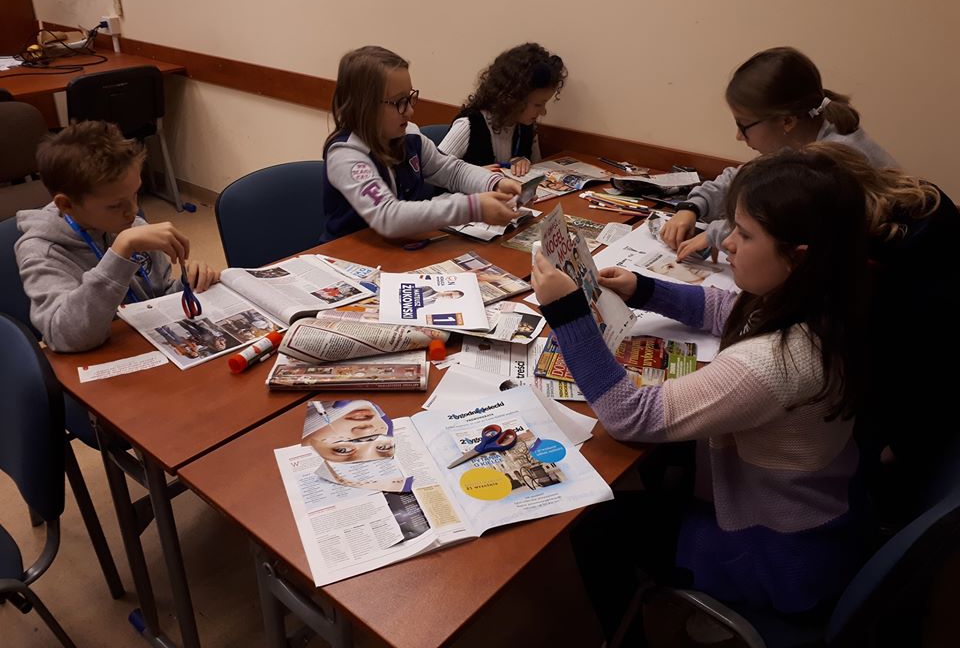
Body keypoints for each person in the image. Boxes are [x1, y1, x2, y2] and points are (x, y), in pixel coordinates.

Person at [532, 149, 872, 639]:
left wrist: (568, 315)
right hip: (819, 508)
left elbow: (631, 416)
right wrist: (643, 289)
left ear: (798, 257)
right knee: (660, 469)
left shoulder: (776, 362)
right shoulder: (822, 298)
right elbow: (727, 309)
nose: (726, 242)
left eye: (745, 235)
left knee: (595, 524)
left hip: (779, 551)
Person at [803, 142, 960, 522]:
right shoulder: (915, 204)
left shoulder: (895, 264)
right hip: (911, 402)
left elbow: (928, 363)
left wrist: (898, 449)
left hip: (907, 426)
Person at [661, 46, 896, 261]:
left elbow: (780, 231)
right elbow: (747, 179)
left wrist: (715, 234)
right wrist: (693, 207)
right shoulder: (801, 136)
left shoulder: (828, 165)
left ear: (786, 121)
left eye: (743, 125)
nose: (739, 136)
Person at [15, 121, 220, 353]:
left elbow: (158, 294)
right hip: (95, 360)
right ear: (67, 205)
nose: (133, 211)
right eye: (115, 205)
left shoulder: (129, 224)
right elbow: (65, 337)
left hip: (144, 345)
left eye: (135, 194)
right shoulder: (42, 251)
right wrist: (120, 252)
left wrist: (188, 283)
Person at [321, 46, 522, 241]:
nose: (410, 111)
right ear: (364, 106)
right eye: (399, 102)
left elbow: (453, 171)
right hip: (347, 256)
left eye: (410, 98)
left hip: (398, 249)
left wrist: (495, 183)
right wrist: (472, 207)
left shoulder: (409, 136)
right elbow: (388, 216)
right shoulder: (346, 155)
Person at [438, 43, 567, 177]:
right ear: (515, 98)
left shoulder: (526, 126)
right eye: (538, 104)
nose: (543, 112)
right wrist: (472, 175)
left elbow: (538, 169)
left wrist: (526, 162)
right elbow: (434, 173)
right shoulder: (469, 125)